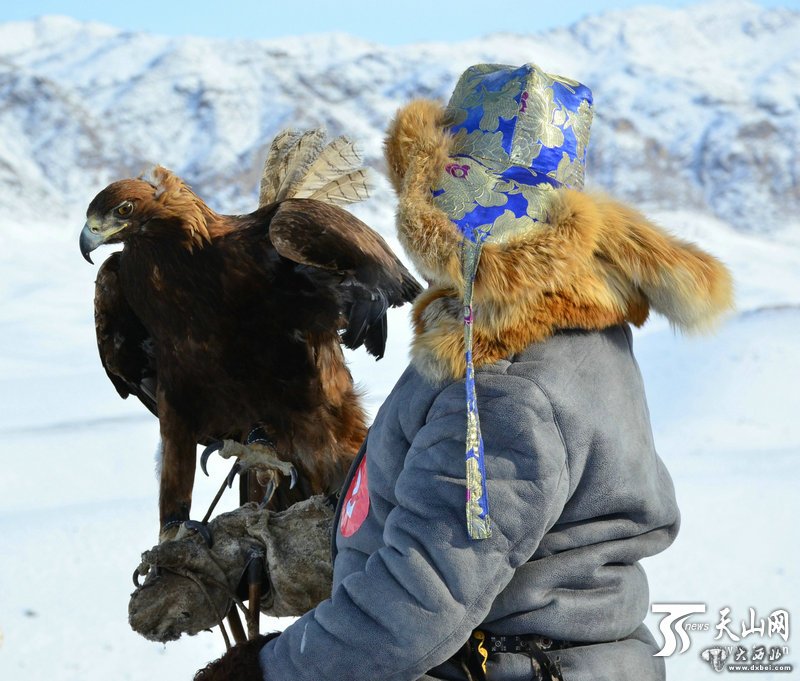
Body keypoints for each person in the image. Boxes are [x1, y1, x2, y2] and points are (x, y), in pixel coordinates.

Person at [194, 63, 733, 681]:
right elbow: (480, 532)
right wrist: (283, 552)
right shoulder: (553, 333)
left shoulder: (505, 388)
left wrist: (272, 672)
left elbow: (423, 598)